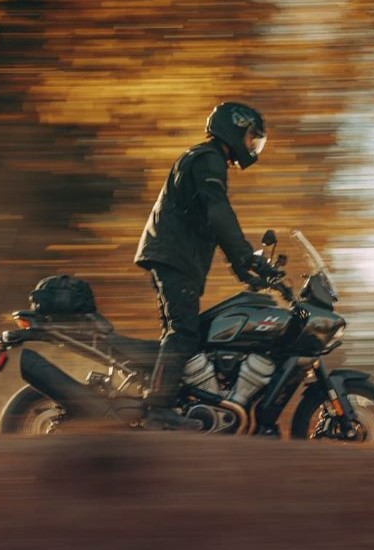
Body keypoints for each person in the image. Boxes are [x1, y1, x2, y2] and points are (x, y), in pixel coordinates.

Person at [133, 102, 275, 429]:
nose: (253, 145)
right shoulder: (207, 159)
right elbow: (218, 213)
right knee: (182, 332)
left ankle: (185, 399)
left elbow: (213, 224)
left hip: (175, 257)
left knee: (186, 332)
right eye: (251, 137)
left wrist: (246, 271)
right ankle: (159, 408)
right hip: (173, 256)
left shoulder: (208, 160)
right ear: (235, 130)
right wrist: (245, 256)